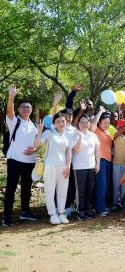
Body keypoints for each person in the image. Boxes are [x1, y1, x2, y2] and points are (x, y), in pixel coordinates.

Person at [3, 84, 38, 227]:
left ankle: (25, 212)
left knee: (26, 188)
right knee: (11, 188)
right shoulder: (14, 121)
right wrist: (11, 97)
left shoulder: (34, 124)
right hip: (15, 160)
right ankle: (6, 216)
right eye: (23, 107)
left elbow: (37, 142)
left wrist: (35, 149)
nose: (26, 109)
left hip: (30, 161)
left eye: (28, 107)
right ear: (18, 109)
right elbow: (9, 111)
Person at [34, 112, 74, 225]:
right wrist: (39, 131)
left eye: (63, 121)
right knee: (50, 190)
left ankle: (61, 213)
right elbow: (37, 145)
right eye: (58, 122)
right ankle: (52, 214)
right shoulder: (49, 133)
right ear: (54, 124)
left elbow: (69, 152)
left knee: (63, 190)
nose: (61, 123)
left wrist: (68, 166)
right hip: (50, 166)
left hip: (63, 166)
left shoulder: (68, 134)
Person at [72, 114, 100, 221]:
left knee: (89, 189)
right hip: (79, 167)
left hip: (91, 166)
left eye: (86, 122)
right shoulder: (75, 134)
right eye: (81, 122)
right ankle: (80, 211)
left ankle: (88, 210)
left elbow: (97, 151)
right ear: (78, 124)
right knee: (81, 190)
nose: (84, 124)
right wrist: (80, 136)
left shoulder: (93, 135)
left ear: (89, 123)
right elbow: (76, 150)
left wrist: (97, 164)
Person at [90, 106, 113, 217]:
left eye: (108, 123)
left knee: (106, 185)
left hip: (108, 161)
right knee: (101, 186)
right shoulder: (96, 131)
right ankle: (100, 209)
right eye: (104, 122)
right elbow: (93, 124)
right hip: (100, 160)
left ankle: (100, 205)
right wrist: (100, 112)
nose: (107, 124)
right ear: (99, 122)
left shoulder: (108, 133)